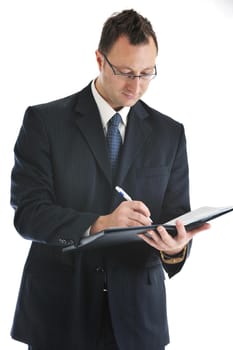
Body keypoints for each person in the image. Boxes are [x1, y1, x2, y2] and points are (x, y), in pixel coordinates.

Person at [10, 9, 210, 350]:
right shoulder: (45, 122)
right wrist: (101, 223)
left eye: (147, 73)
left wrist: (176, 249)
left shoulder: (170, 134)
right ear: (100, 59)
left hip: (138, 323)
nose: (136, 86)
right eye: (126, 73)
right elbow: (28, 214)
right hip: (60, 315)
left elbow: (176, 214)